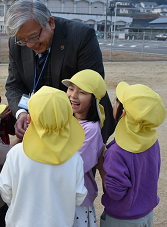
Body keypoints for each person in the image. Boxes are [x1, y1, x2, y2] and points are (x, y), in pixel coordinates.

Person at [4, 0, 115, 143]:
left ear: (51, 23)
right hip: (44, 124)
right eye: (22, 40)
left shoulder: (81, 37)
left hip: (82, 122)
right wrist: (21, 114)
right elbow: (14, 85)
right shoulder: (17, 42)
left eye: (34, 37)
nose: (29, 45)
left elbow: (89, 89)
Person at [0, 86, 87, 227]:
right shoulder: (74, 158)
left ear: (30, 118)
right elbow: (79, 196)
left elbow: (5, 190)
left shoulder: (16, 153)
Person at [96, 82, 166, 227]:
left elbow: (115, 193)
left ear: (122, 113)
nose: (114, 105)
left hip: (122, 220)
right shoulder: (152, 140)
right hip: (146, 214)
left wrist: (101, 166)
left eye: (117, 102)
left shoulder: (117, 152)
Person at [62, 69, 107, 227]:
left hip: (78, 200)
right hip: (63, 194)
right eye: (71, 88)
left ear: (93, 99)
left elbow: (75, 164)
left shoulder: (91, 129)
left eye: (82, 92)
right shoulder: (68, 119)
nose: (73, 95)